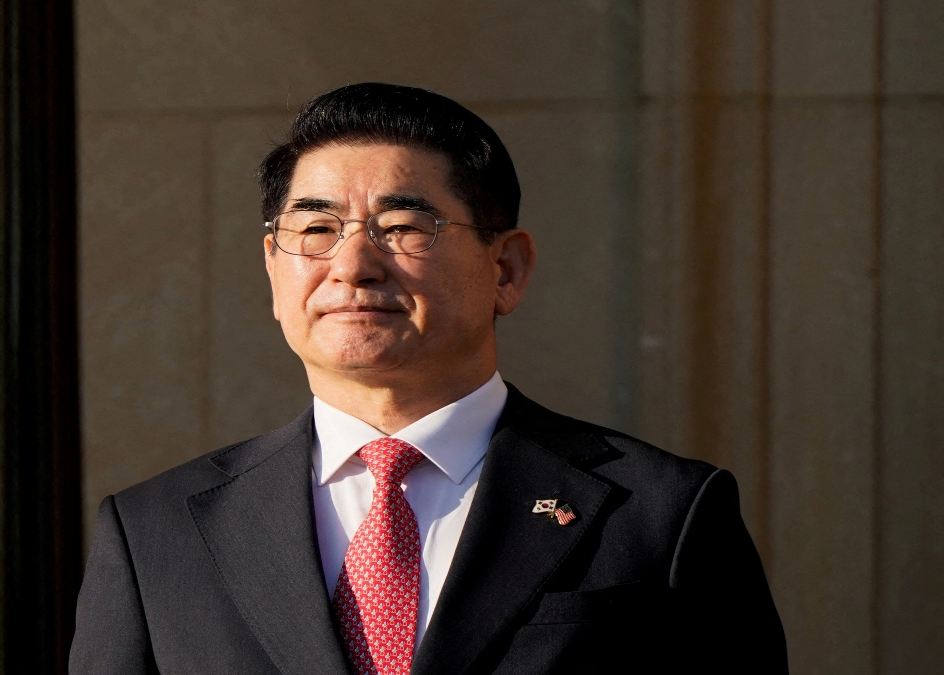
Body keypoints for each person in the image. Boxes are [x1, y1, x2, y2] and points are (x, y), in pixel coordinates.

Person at [69, 82, 788, 674]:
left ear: (504, 268)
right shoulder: (155, 534)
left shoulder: (662, 514)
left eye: (403, 226)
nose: (352, 265)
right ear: (273, 268)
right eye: (316, 230)